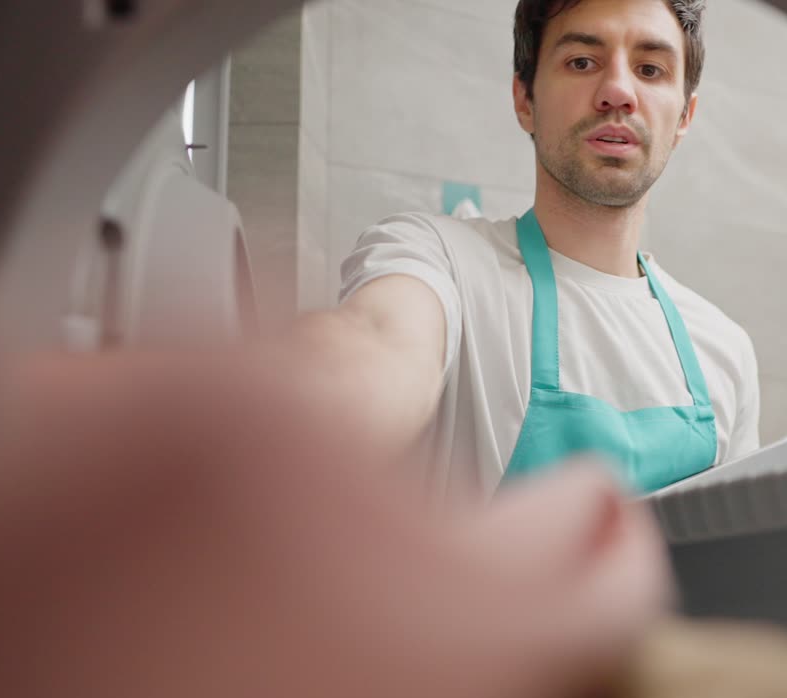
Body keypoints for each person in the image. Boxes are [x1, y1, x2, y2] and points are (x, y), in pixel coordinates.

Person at [296, 0, 760, 503]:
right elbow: (379, 342)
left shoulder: (723, 349)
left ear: (685, 115)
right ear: (524, 99)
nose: (619, 92)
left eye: (650, 69)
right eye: (582, 61)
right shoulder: (438, 260)